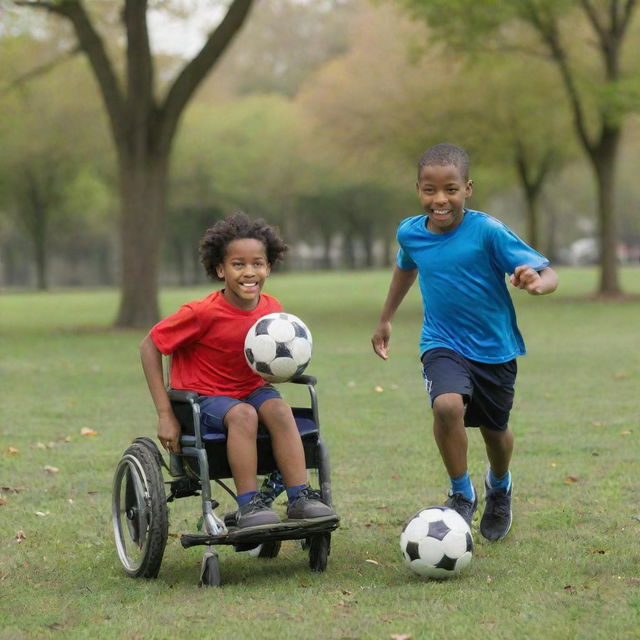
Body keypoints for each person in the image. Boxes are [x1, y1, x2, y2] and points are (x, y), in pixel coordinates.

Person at [371, 143, 558, 541]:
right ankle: (461, 493)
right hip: (441, 340)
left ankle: (500, 485)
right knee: (446, 405)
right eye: (429, 190)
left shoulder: (487, 231)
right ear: (418, 189)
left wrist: (537, 284)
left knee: (496, 432)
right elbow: (406, 268)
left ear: (467, 189)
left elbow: (546, 272)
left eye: (451, 189)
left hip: (494, 348)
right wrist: (386, 318)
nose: (440, 199)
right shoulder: (409, 232)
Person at [140, 211, 337, 529]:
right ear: (220, 269)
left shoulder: (272, 310)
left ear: (269, 266)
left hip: (252, 389)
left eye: (257, 263)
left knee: (280, 410)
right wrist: (164, 413)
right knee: (244, 415)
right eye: (238, 264)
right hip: (204, 398)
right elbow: (149, 345)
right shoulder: (201, 313)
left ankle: (299, 497)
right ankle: (248, 506)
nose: (250, 272)